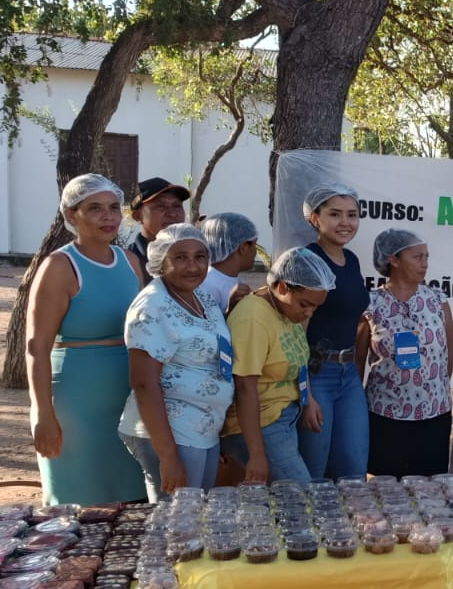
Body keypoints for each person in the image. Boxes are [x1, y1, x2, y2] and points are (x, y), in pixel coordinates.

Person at [27, 174, 147, 505]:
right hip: (77, 402)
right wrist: (42, 413)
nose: (108, 217)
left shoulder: (131, 261)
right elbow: (37, 347)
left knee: (132, 499)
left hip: (128, 396)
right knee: (80, 502)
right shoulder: (60, 266)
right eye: (95, 208)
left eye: (113, 207)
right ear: (71, 215)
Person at [118, 225, 235, 499]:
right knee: (178, 525)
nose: (193, 266)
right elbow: (144, 383)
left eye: (200, 256)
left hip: (204, 428)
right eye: (180, 257)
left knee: (198, 517)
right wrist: (168, 458)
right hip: (172, 432)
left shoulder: (202, 297)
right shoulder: (152, 307)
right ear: (161, 262)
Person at [220, 248, 334, 483]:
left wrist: (307, 400)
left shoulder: (287, 311)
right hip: (260, 425)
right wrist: (257, 453)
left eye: (315, 307)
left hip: (283, 417)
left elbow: (297, 358)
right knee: (303, 499)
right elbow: (244, 387)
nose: (308, 313)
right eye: (305, 304)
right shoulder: (253, 318)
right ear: (282, 288)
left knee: (286, 503)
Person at [360, 229, 453, 476]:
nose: (424, 264)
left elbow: (448, 358)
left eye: (426, 257)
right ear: (393, 259)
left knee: (431, 490)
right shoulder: (370, 303)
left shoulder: (437, 300)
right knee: (388, 491)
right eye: (417, 257)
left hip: (434, 413)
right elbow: (357, 364)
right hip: (386, 414)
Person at [298, 184, 371, 480]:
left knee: (354, 467)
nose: (345, 222)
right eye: (335, 214)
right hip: (316, 374)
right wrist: (306, 394)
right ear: (315, 217)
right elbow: (295, 331)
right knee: (313, 468)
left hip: (348, 376)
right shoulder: (306, 261)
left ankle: (350, 526)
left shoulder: (351, 260)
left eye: (352, 215)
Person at [129, 177, 189, 283]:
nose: (172, 214)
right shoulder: (129, 263)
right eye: (161, 206)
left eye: (177, 206)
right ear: (138, 216)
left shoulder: (194, 258)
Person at [198, 212, 258, 315]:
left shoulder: (236, 281)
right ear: (243, 248)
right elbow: (204, 327)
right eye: (255, 245)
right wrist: (229, 310)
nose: (256, 251)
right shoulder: (208, 285)